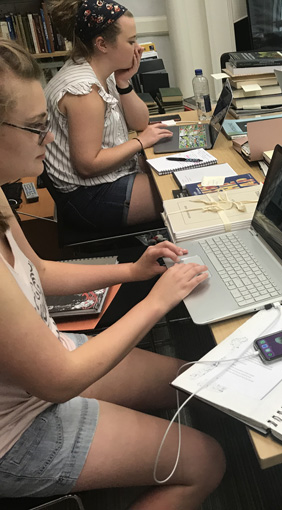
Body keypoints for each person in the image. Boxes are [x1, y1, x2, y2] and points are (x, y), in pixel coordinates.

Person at [0, 40, 225, 509]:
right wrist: (156, 301)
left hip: (46, 369)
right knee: (208, 463)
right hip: (17, 431)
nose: (49, 139)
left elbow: (36, 271)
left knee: (193, 380)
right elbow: (59, 381)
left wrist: (133, 270)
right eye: (39, 128)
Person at [44, 0, 172, 231]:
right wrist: (140, 142)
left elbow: (140, 122)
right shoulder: (84, 91)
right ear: (102, 44)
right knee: (182, 189)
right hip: (89, 196)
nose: (138, 48)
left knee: (181, 177)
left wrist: (123, 82)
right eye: (131, 41)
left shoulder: (104, 72)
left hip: (108, 179)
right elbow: (87, 165)